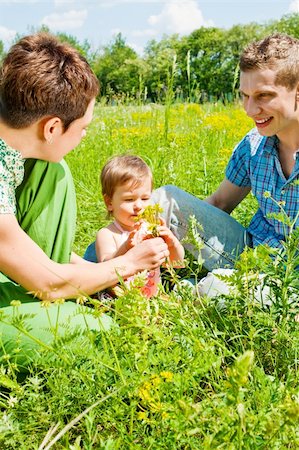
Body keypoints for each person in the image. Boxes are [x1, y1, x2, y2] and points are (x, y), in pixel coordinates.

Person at [0, 33, 169, 367]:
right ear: (51, 129)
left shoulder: (16, 154)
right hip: (34, 286)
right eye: (83, 127)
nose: (85, 135)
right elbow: (47, 282)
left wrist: (101, 272)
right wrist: (130, 263)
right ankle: (51, 306)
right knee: (113, 335)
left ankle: (58, 297)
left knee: (54, 171)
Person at [151, 33, 299, 273]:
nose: (250, 110)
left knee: (214, 289)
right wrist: (176, 228)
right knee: (165, 200)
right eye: (245, 96)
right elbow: (220, 203)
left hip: (288, 281)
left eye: (264, 95)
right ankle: (103, 274)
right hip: (250, 252)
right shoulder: (252, 145)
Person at [94, 154, 184, 297]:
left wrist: (172, 244)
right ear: (109, 202)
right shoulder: (108, 234)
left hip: (154, 297)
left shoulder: (151, 229)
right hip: (123, 300)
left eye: (145, 198)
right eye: (129, 199)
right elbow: (106, 267)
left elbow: (176, 263)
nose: (138, 206)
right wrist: (126, 247)